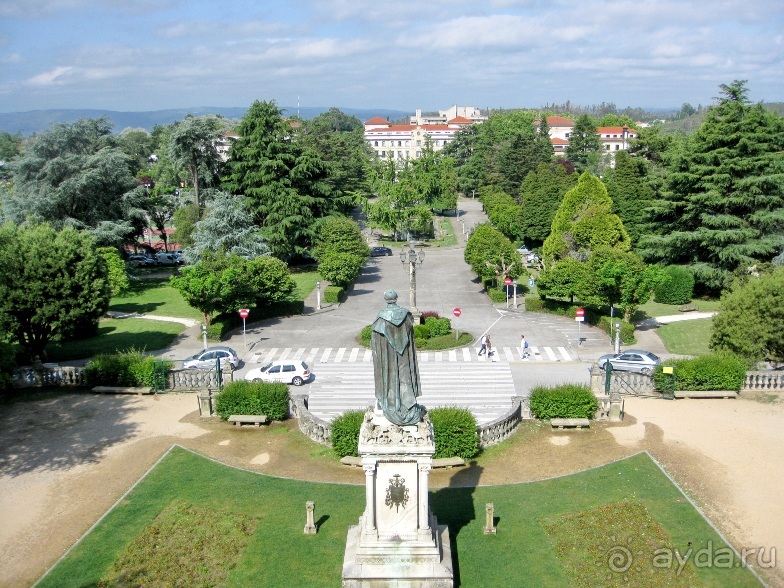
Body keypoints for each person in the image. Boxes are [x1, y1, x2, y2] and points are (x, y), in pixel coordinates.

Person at [370, 290, 424, 426]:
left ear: (386, 299)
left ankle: (390, 401)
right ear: (396, 298)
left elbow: (376, 340)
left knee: (388, 375)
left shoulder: (381, 317)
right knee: (405, 376)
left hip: (387, 355)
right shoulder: (406, 315)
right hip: (404, 354)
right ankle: (407, 402)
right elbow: (410, 334)